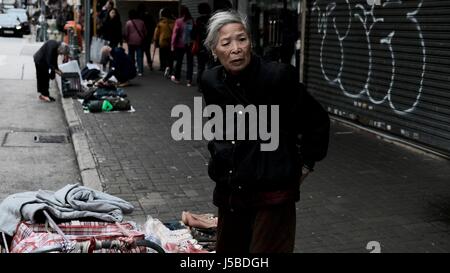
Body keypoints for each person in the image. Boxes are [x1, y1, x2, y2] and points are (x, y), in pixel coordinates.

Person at [200, 11, 330, 253]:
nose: (236, 48)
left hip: (272, 193)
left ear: (251, 42)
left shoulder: (277, 77)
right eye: (226, 43)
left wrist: (305, 164)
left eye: (242, 39)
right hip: (231, 191)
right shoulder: (211, 81)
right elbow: (218, 127)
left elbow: (317, 120)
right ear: (214, 50)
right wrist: (218, 153)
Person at [171, 5, 194, 86]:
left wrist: (172, 44)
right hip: (189, 44)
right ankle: (189, 80)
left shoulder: (178, 21)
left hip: (180, 45)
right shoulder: (191, 20)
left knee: (179, 62)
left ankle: (177, 78)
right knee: (190, 62)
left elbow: (175, 34)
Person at [193, 2, 212, 92]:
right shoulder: (212, 20)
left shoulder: (198, 20)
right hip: (211, 46)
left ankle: (200, 86)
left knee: (200, 67)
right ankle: (209, 85)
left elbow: (193, 34)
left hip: (201, 46)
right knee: (210, 67)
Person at [124, 9, 147, 76]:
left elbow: (126, 33)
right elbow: (145, 32)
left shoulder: (128, 23)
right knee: (139, 56)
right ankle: (140, 71)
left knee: (131, 56)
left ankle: (131, 69)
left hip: (130, 42)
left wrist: (126, 39)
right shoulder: (142, 22)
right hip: (140, 42)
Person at [153, 8, 175, 77]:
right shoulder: (174, 22)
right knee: (170, 56)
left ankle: (163, 66)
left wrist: (155, 40)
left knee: (163, 55)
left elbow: (156, 33)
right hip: (171, 42)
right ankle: (169, 67)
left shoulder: (160, 23)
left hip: (162, 42)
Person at [138, 3, 156, 70]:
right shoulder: (149, 16)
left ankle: (140, 65)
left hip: (139, 36)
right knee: (147, 51)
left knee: (140, 51)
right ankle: (150, 64)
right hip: (147, 36)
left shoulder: (138, 16)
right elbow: (153, 25)